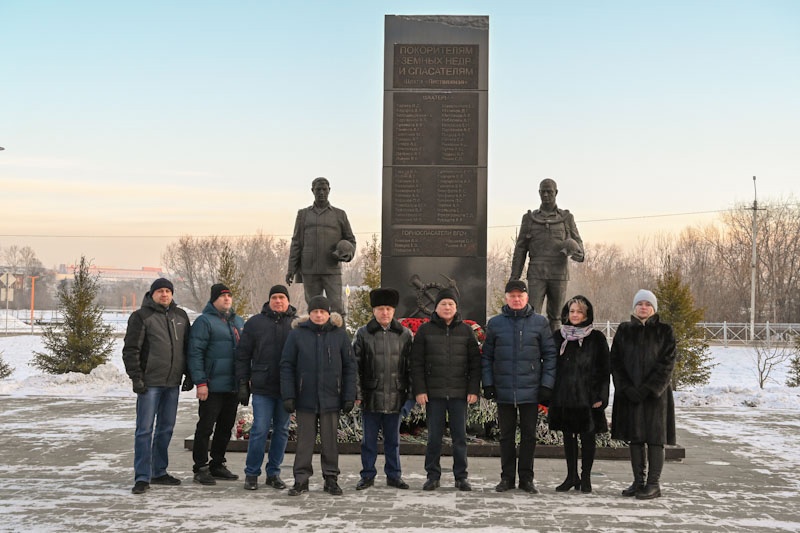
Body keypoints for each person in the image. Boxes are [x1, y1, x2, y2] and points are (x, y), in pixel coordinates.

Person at [481, 280, 557, 494]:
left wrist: (546, 385)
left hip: (531, 390)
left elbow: (550, 356)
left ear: (526, 298)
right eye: (512, 295)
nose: (516, 299)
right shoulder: (495, 323)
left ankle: (526, 478)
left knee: (528, 436)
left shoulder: (539, 323)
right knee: (505, 436)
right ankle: (507, 478)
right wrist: (488, 383)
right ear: (506, 298)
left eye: (520, 296)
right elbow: (487, 356)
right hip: (504, 389)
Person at [280, 295, 356, 496]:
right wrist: (288, 394)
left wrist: (349, 395)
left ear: (328, 314)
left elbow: (349, 366)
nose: (319, 315)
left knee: (330, 441)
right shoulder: (297, 335)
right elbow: (287, 365)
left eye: (323, 312)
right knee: (305, 441)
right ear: (310, 313)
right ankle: (301, 479)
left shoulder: (339, 335)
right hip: (305, 397)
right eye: (315, 311)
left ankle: (331, 478)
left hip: (332, 397)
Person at [122, 277, 192, 495]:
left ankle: (159, 471)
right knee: (144, 430)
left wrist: (188, 375)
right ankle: (142, 477)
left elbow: (187, 349)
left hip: (172, 384)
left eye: (168, 291)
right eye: (160, 291)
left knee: (166, 428)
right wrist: (137, 378)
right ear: (152, 294)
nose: (164, 295)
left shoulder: (180, 316)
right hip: (150, 384)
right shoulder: (141, 317)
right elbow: (131, 350)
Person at [411, 288, 481, 492]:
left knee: (460, 437)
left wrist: (473, 389)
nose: (447, 307)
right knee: (434, 437)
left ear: (456, 307)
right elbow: (417, 363)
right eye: (443, 304)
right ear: (436, 306)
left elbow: (475, 363)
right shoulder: (425, 330)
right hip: (434, 394)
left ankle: (461, 477)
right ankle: (433, 475)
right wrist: (420, 390)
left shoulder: (466, 331)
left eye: (451, 304)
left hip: (459, 393)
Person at [611, 289, 677, 500]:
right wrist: (626, 388)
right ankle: (638, 482)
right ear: (634, 306)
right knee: (636, 439)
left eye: (648, 304)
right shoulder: (624, 330)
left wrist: (649, 388)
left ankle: (653, 484)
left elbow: (667, 363)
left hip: (655, 397)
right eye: (640, 303)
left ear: (653, 308)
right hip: (630, 394)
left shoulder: (664, 331)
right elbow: (616, 362)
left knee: (655, 439)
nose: (643, 307)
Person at [235, 285, 297, 491]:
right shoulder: (255, 323)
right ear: (269, 300)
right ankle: (252, 473)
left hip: (287, 389)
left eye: (282, 297)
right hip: (262, 387)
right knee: (260, 430)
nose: (278, 301)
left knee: (281, 430)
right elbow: (243, 355)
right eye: (274, 297)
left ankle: (274, 473)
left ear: (288, 301)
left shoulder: (296, 325)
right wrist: (243, 382)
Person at [352, 287, 414, 491]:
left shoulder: (404, 334)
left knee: (393, 442)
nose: (384, 313)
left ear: (394, 310)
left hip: (396, 396)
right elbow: (355, 367)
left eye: (388, 308)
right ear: (374, 311)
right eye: (380, 308)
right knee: (368, 441)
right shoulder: (363, 334)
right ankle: (367, 475)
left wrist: (409, 396)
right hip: (371, 397)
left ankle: (394, 475)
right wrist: (358, 394)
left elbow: (411, 367)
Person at [549, 295, 610, 494]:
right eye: (572, 311)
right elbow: (551, 367)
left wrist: (601, 396)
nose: (575, 315)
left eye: (579, 312)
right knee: (568, 437)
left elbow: (604, 369)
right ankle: (571, 476)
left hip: (588, 397)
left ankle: (586, 477)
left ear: (587, 314)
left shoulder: (596, 338)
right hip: (564, 396)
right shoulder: (559, 336)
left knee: (587, 437)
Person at [187, 283, 245, 486]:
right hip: (211, 386)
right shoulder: (204, 322)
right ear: (213, 300)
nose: (227, 299)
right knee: (205, 427)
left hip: (232, 386)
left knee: (225, 427)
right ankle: (200, 467)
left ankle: (217, 463)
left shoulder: (237, 321)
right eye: (222, 296)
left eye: (229, 296)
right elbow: (195, 353)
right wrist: (201, 382)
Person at [509, 178, 585, 331]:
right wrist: (514, 276)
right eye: (542, 191)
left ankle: (555, 352)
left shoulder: (566, 218)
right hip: (536, 271)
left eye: (549, 191)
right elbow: (520, 249)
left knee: (556, 316)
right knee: (532, 315)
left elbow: (579, 245)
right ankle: (532, 352)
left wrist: (579, 254)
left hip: (559, 272)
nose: (546, 195)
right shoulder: (529, 219)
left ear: (556, 192)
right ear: (538, 193)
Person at [286, 177, 356, 315]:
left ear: (329, 190)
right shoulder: (303, 214)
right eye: (318, 189)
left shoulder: (339, 214)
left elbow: (351, 240)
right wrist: (291, 269)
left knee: (337, 308)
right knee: (313, 308)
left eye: (324, 189)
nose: (321, 193)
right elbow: (296, 243)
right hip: (309, 269)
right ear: (312, 191)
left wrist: (347, 254)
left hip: (331, 269)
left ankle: (338, 335)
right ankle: (313, 336)